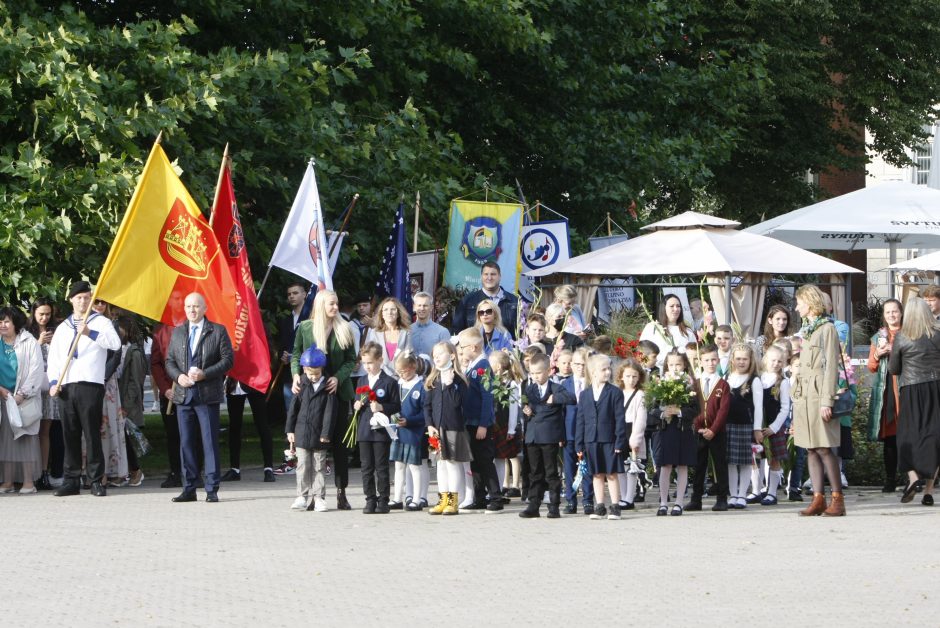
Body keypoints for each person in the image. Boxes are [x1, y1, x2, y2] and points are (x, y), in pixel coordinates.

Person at [47, 281, 122, 497]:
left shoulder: (101, 322)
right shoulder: (63, 328)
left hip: (90, 384)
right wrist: (53, 383)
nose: (83, 301)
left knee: (91, 433)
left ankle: (96, 479)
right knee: (69, 434)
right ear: (71, 300)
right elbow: (54, 359)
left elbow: (115, 344)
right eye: (78, 298)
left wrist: (90, 333)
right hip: (66, 385)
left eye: (86, 298)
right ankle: (71, 479)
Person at [291, 289, 358, 510]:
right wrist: (295, 375)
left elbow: (351, 361)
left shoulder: (344, 328)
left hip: (336, 394)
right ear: (320, 305)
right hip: (311, 394)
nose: (336, 308)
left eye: (337, 304)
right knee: (310, 445)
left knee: (338, 446)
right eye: (331, 304)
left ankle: (341, 491)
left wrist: (338, 378)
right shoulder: (306, 328)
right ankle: (311, 495)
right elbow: (296, 354)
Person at [165, 292, 234, 503]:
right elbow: (169, 361)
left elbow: (228, 360)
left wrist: (206, 373)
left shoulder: (218, 331)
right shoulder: (178, 332)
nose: (192, 310)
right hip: (183, 396)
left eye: (196, 306)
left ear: (204, 309)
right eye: (188, 307)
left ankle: (211, 488)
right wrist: (179, 376)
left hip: (207, 395)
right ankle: (189, 488)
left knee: (209, 443)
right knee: (186, 443)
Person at [791, 284, 844, 517]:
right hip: (805, 396)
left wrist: (827, 401)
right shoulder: (808, 329)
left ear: (810, 303)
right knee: (810, 448)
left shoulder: (826, 329)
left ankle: (837, 498)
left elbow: (831, 366)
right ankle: (818, 498)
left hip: (819, 394)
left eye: (799, 303)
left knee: (823, 447)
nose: (796, 307)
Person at [889, 297, 940, 507]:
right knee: (934, 438)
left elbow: (894, 368)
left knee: (906, 436)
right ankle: (929, 491)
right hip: (936, 387)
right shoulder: (938, 335)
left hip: (910, 389)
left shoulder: (901, 337)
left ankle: (912, 477)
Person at [518, 353, 574, 519]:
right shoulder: (529, 389)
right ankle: (534, 504)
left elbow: (571, 398)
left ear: (549, 371)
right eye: (533, 373)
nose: (536, 376)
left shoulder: (556, 388)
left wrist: (554, 398)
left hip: (549, 436)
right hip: (533, 436)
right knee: (534, 472)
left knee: (551, 472)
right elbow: (527, 406)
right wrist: (526, 411)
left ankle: (554, 505)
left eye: (539, 373)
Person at [456, 327, 503, 512]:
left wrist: (484, 424)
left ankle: (496, 497)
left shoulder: (482, 366)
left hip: (480, 424)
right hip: (470, 422)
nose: (462, 350)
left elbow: (487, 398)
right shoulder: (473, 366)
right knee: (474, 462)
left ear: (474, 347)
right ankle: (480, 496)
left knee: (485, 461)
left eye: (464, 346)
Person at [576, 353, 626, 520]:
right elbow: (581, 420)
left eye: (609, 369)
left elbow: (620, 419)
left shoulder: (615, 392)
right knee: (596, 474)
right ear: (593, 372)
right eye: (603, 369)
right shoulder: (585, 394)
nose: (608, 372)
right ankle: (599, 505)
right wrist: (579, 444)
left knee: (611, 473)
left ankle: (615, 506)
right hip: (591, 440)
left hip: (610, 440)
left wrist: (620, 441)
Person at [649, 350, 699, 516]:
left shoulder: (690, 384)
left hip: (683, 429)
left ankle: (678, 502)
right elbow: (651, 408)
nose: (675, 367)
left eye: (678, 364)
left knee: (682, 465)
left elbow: (696, 409)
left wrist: (679, 411)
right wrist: (663, 412)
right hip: (665, 429)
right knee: (665, 465)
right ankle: (663, 502)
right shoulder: (660, 383)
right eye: (671, 364)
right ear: (666, 366)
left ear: (684, 365)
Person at [0, 306, 44, 494]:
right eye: (0, 321)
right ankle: (8, 482)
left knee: (25, 438)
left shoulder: (29, 342)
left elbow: (36, 371)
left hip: (23, 398)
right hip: (2, 397)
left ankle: (28, 482)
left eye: (7, 321)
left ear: (15, 323)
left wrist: (22, 394)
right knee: (5, 441)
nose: (3, 325)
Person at [286, 346, 335, 512]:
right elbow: (293, 409)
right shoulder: (301, 383)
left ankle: (319, 497)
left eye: (316, 373)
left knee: (319, 466)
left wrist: (326, 433)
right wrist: (290, 430)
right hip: (301, 433)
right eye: (310, 373)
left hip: (320, 435)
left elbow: (330, 413)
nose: (313, 377)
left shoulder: (328, 387)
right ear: (304, 370)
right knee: (302, 465)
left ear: (322, 369)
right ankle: (301, 496)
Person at [354, 341, 401, 514]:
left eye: (370, 363)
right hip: (365, 430)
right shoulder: (361, 380)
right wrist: (357, 405)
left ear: (380, 360)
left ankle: (383, 499)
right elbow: (357, 399)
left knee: (381, 466)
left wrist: (382, 407)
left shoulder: (389, 382)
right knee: (366, 467)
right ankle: (370, 499)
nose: (367, 367)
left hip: (381, 431)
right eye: (364, 363)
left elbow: (396, 405)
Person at [424, 341, 469, 516]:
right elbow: (427, 406)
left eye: (440, 354)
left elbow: (460, 403)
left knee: (452, 464)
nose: (436, 358)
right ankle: (442, 499)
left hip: (453, 428)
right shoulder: (433, 379)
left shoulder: (459, 379)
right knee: (440, 465)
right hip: (436, 429)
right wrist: (429, 425)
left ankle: (453, 500)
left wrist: (450, 385)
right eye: (434, 355)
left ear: (451, 356)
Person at [686, 344, 730, 512]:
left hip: (716, 433)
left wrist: (713, 429)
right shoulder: (695, 384)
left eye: (713, 360)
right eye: (707, 360)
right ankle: (696, 499)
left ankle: (721, 498)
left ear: (718, 361)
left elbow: (723, 411)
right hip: (699, 432)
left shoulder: (723, 385)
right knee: (698, 466)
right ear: (701, 362)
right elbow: (693, 407)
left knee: (719, 465)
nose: (711, 363)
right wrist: (698, 426)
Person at [150, 289, 187, 488]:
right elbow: (155, 363)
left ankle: (193, 472)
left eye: (181, 298)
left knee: (192, 433)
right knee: (173, 434)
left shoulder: (194, 327)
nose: (179, 302)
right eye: (176, 298)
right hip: (170, 392)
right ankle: (175, 472)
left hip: (191, 389)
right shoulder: (161, 331)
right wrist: (165, 389)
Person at [867, 299, 904, 492]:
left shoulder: (909, 333)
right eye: (888, 312)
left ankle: (914, 477)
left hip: (905, 388)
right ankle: (890, 479)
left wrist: (896, 350)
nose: (891, 315)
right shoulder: (878, 337)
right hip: (887, 389)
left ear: (901, 313)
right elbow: (871, 367)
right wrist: (877, 355)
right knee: (890, 437)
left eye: (895, 311)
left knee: (908, 434)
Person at [27, 298, 63, 490]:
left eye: (47, 314)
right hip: (31, 386)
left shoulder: (56, 331)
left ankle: (43, 472)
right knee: (31, 431)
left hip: (49, 386)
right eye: (41, 313)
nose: (44, 317)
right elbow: (24, 357)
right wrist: (38, 342)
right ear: (33, 313)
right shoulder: (26, 332)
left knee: (46, 431)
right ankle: (30, 472)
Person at [91, 299, 127, 487]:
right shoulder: (82, 325)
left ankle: (110, 471)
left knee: (109, 427)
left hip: (106, 381)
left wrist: (103, 377)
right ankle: (92, 471)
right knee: (91, 428)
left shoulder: (111, 325)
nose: (99, 306)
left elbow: (116, 354)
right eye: (95, 302)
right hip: (88, 380)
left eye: (102, 303)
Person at [390, 351, 429, 511]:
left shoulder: (421, 387)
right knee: (399, 466)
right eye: (398, 372)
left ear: (413, 368)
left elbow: (425, 413)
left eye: (403, 371)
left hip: (414, 433)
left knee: (414, 466)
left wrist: (410, 421)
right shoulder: (397, 384)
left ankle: (417, 498)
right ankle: (397, 498)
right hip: (398, 432)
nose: (401, 374)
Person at [756, 345, 791, 505]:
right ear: (765, 360)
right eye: (773, 360)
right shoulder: (759, 378)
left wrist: (774, 427)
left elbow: (785, 408)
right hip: (759, 425)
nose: (776, 363)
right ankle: (758, 490)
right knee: (757, 458)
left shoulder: (782, 382)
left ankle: (772, 493)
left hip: (773, 427)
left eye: (779, 361)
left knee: (774, 460)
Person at [223, 379, 276, 483]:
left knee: (263, 425)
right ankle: (234, 469)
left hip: (255, 381)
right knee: (234, 426)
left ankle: (268, 468)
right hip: (234, 382)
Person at [562, 347, 594, 514]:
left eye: (583, 364)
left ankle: (588, 500)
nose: (580, 367)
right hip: (569, 433)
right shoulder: (564, 384)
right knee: (569, 469)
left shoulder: (592, 385)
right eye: (577, 364)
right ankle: (570, 500)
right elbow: (560, 412)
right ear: (571, 365)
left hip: (588, 433)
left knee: (587, 467)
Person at [487, 349, 523, 497]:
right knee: (492, 457)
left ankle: (502, 488)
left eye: (491, 363)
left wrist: (511, 429)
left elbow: (514, 408)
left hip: (504, 425)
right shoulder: (490, 381)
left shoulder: (512, 385)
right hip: (491, 424)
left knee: (501, 458)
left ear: (499, 366)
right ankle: (494, 488)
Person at [116, 316, 147, 487]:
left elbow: (136, 382)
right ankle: (126, 471)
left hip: (129, 403)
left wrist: (126, 406)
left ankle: (136, 470)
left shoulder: (134, 352)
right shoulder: (119, 349)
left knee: (128, 440)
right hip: (119, 400)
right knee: (121, 438)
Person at [452, 262, 520, 338]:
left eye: (493, 274)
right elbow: (457, 332)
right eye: (486, 274)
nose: (489, 278)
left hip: (506, 348)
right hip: (475, 348)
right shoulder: (467, 301)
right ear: (481, 277)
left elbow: (520, 332)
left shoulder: (514, 302)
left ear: (500, 276)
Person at [615, 358, 648, 511]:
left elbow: (641, 418)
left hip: (632, 431)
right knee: (620, 466)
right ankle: (622, 496)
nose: (631, 379)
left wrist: (636, 437)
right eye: (628, 376)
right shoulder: (617, 392)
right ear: (621, 376)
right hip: (620, 431)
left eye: (634, 376)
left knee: (632, 466)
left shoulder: (640, 394)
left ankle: (629, 497)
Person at [639, 294, 697, 369]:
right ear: (664, 308)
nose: (676, 309)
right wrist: (647, 369)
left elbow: (695, 354)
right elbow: (641, 352)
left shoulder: (687, 331)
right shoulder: (652, 328)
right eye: (672, 306)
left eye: (678, 306)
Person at [276, 281, 308, 412]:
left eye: (295, 293)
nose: (291, 296)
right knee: (291, 411)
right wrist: (282, 356)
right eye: (289, 294)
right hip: (289, 374)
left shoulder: (312, 317)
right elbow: (281, 346)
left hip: (308, 372)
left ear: (304, 294)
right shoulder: (286, 320)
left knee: (307, 411)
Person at [365, 297, 412, 378]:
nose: (389, 312)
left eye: (393, 309)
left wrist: (399, 372)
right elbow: (374, 357)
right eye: (386, 309)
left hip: (402, 377)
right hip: (381, 378)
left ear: (398, 313)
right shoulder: (374, 333)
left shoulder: (406, 332)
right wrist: (390, 374)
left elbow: (409, 355)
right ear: (382, 314)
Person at [410, 291, 450, 360]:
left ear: (431, 307)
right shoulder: (406, 331)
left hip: (433, 370)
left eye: (425, 305)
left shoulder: (442, 332)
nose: (422, 308)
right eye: (419, 305)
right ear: (414, 307)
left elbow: (447, 358)